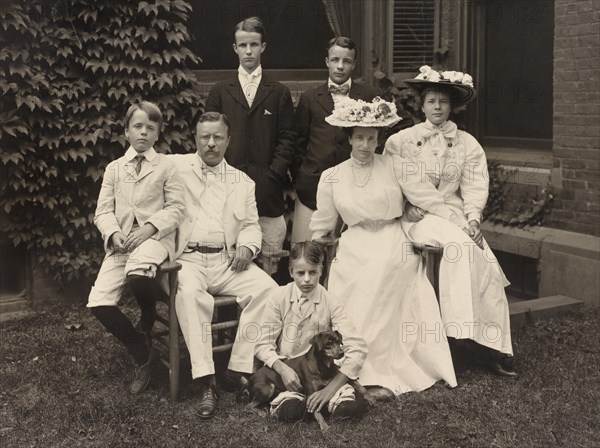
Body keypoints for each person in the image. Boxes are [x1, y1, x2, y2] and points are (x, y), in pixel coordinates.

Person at [310, 96, 458, 394]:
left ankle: (379, 369)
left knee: (383, 270)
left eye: (372, 139)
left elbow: (426, 197)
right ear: (350, 138)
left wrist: (458, 220)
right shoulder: (332, 177)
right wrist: (315, 253)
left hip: (393, 239)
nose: (366, 145)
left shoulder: (395, 166)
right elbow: (322, 225)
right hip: (354, 240)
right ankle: (350, 364)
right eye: (360, 138)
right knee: (348, 275)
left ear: (379, 139)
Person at [384, 65, 516, 377]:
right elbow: (394, 185)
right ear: (421, 105)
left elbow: (474, 184)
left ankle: (489, 346)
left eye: (443, 102)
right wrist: (404, 208)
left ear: (452, 106)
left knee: (487, 263)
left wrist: (472, 218)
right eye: (431, 101)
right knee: (459, 246)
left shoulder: (467, 143)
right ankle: (458, 332)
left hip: (455, 215)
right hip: (419, 216)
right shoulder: (400, 142)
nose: (438, 107)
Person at [170, 112, 278, 418]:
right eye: (204, 137)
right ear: (195, 139)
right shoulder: (176, 168)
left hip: (225, 260)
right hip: (187, 259)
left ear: (228, 141)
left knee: (269, 290)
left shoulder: (242, 182)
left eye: (218, 137)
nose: (211, 144)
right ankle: (207, 380)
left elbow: (252, 225)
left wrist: (246, 246)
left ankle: (237, 366)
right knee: (190, 295)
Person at [88, 101, 185, 394]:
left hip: (153, 239)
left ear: (157, 134)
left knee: (139, 271)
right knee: (99, 303)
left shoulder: (166, 166)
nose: (143, 132)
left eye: (150, 128)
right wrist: (114, 233)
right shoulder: (114, 169)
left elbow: (177, 208)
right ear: (127, 131)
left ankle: (148, 314)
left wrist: (149, 228)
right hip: (121, 245)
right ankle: (143, 352)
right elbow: (102, 211)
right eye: (137, 126)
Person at [205, 16, 295, 275]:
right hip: (226, 188)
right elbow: (209, 137)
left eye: (253, 44)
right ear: (235, 48)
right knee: (228, 261)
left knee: (269, 260)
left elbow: (288, 137)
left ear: (263, 47)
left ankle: (266, 312)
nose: (248, 51)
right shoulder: (220, 92)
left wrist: (274, 173)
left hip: (266, 191)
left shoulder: (279, 92)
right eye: (242, 45)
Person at [254, 241, 368, 422]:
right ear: (291, 271)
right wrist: (282, 369)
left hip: (322, 374)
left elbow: (358, 348)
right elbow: (262, 344)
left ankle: (331, 400)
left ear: (321, 270)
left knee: (349, 407)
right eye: (300, 273)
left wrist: (330, 388)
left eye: (312, 272)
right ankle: (299, 404)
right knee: (291, 411)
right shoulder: (278, 297)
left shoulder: (332, 302)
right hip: (290, 374)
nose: (307, 279)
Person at [291, 36, 381, 244]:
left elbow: (380, 136)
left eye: (346, 61)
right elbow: (298, 143)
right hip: (313, 186)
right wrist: (304, 173)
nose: (340, 66)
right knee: (308, 249)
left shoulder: (369, 95)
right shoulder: (309, 98)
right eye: (335, 60)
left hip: (356, 185)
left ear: (354, 64)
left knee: (350, 249)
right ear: (327, 61)